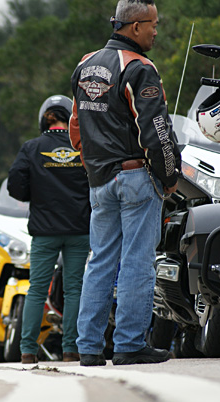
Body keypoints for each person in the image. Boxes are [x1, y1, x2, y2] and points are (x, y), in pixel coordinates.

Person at [69, 0, 181, 366]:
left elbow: (76, 127)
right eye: (153, 24)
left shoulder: (85, 64)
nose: (156, 31)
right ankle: (130, 345)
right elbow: (157, 132)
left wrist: (93, 167)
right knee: (137, 262)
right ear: (134, 27)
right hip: (135, 177)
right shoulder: (139, 68)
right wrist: (169, 178)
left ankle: (87, 348)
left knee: (99, 261)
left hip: (100, 181)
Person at [8, 95, 91, 364]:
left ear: (44, 118)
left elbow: (15, 187)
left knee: (37, 290)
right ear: (71, 118)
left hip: (44, 231)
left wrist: (38, 193)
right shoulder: (83, 146)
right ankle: (70, 350)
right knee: (75, 290)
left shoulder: (31, 148)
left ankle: (28, 351)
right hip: (79, 229)